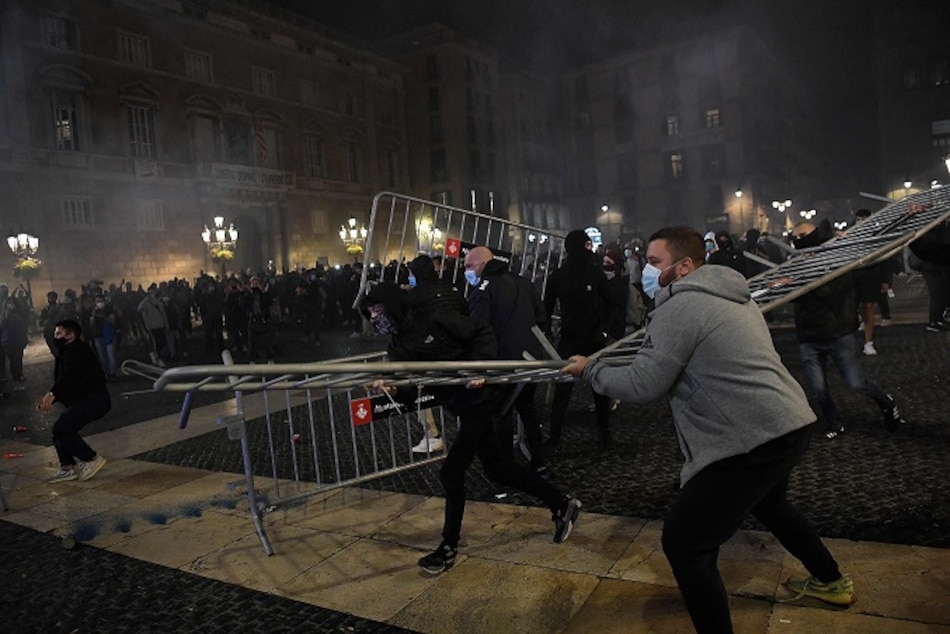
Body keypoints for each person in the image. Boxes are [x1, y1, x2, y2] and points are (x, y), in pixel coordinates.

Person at [562, 226, 854, 634]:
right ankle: (831, 580)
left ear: (684, 266)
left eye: (654, 262)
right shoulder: (728, 292)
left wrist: (589, 370)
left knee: (686, 543)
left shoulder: (681, 307)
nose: (647, 271)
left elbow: (643, 384)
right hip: (787, 420)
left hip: (751, 437)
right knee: (771, 505)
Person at [362, 269, 581, 575]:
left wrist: (480, 368)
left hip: (482, 399)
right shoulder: (397, 347)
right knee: (499, 469)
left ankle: (448, 547)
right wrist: (394, 388)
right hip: (461, 405)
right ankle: (561, 503)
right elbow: (414, 392)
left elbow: (481, 332)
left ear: (392, 305)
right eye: (370, 314)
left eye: (377, 311)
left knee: (452, 473)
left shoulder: (435, 318)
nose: (374, 318)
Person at [790, 221, 906, 439]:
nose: (798, 241)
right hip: (809, 336)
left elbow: (828, 292)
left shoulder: (837, 259)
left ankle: (886, 402)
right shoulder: (795, 264)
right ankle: (834, 423)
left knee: (856, 383)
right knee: (818, 389)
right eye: (794, 237)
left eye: (803, 235)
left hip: (838, 333)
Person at [464, 246, 550, 476]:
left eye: (469, 266)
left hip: (501, 361)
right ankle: (539, 462)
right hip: (529, 359)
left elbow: (477, 328)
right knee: (527, 409)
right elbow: (542, 318)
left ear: (483, 264)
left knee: (501, 413)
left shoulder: (483, 289)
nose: (467, 271)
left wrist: (479, 362)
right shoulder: (523, 282)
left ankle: (508, 468)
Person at [543, 229, 613, 448]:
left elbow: (545, 306)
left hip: (579, 338)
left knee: (574, 389)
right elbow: (610, 302)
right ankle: (602, 433)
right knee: (590, 388)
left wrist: (548, 332)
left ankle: (557, 437)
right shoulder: (586, 273)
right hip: (584, 338)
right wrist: (605, 329)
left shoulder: (567, 274)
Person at [36, 319, 110, 482]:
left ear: (71, 335)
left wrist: (52, 394)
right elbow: (63, 381)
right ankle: (67, 466)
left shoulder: (77, 350)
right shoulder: (66, 351)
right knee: (59, 431)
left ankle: (91, 458)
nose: (55, 337)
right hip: (84, 400)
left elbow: (69, 377)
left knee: (62, 428)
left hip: (94, 400)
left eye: (59, 333)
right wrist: (50, 398)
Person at [851, 209, 890, 355]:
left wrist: (885, 280)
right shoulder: (850, 233)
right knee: (852, 310)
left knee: (869, 308)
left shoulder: (877, 234)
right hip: (854, 275)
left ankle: (868, 342)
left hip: (870, 275)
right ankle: (854, 341)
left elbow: (883, 257)